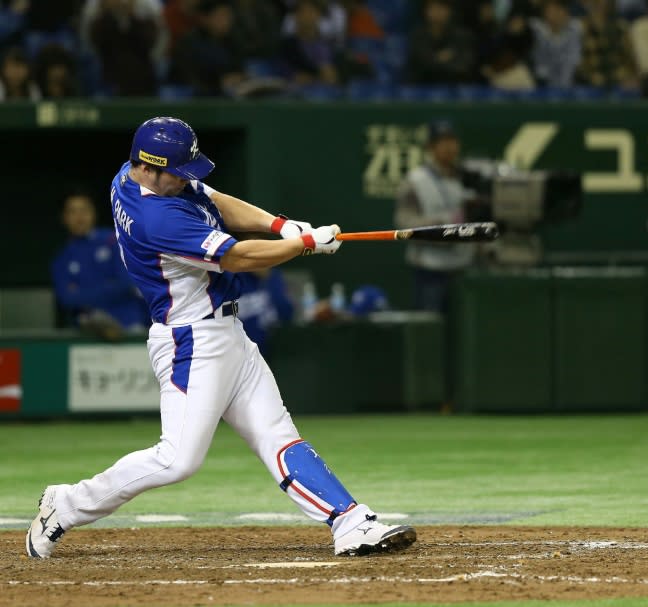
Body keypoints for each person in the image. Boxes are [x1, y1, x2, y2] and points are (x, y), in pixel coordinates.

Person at [26, 116, 416, 559]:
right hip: (191, 342)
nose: (186, 178)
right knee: (178, 460)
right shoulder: (155, 218)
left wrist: (280, 226)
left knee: (278, 434)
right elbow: (238, 257)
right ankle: (68, 503)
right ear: (150, 167)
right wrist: (304, 244)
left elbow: (214, 199)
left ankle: (350, 522)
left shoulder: (134, 174)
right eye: (178, 171)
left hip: (228, 332)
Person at [394, 119, 475, 313]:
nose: (449, 147)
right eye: (442, 142)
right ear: (431, 147)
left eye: (452, 141)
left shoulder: (469, 178)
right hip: (430, 271)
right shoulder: (415, 180)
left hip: (464, 268)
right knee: (431, 331)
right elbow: (404, 224)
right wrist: (442, 226)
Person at [51, 192, 149, 338]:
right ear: (64, 218)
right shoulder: (61, 260)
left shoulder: (114, 241)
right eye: (73, 212)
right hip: (86, 334)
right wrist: (108, 286)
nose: (79, 217)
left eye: (84, 210)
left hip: (129, 327)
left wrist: (83, 293)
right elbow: (67, 299)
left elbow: (127, 283)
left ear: (93, 213)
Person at [405, 0, 475, 85]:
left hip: (455, 86)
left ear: (449, 11)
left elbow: (464, 65)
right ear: (425, 11)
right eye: (433, 8)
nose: (437, 12)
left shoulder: (461, 36)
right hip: (423, 86)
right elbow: (421, 65)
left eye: (441, 8)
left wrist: (435, 59)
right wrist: (444, 58)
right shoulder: (417, 36)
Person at [236, 267, 294, 356]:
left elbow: (287, 312)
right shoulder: (235, 278)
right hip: (238, 349)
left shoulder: (274, 277)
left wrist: (269, 280)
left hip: (268, 350)